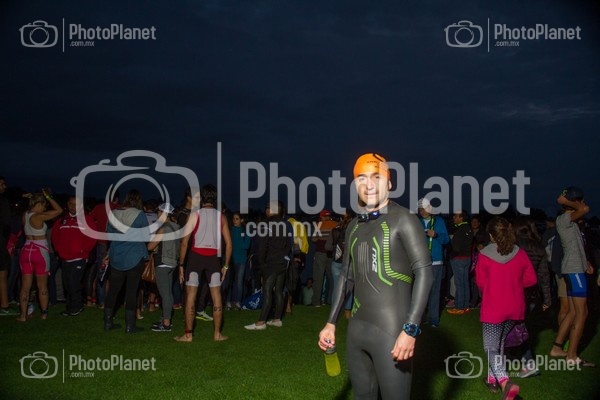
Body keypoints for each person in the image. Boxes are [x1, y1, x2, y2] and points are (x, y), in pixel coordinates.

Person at [318, 153, 433, 400]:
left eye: (376, 177)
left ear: (389, 183)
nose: (368, 184)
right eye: (361, 178)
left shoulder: (404, 219)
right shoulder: (353, 226)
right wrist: (331, 323)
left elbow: (425, 272)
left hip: (392, 332)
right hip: (357, 332)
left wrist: (410, 329)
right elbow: (346, 277)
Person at [475, 217, 537, 399]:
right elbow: (531, 279)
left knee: (490, 347)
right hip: (515, 307)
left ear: (491, 235)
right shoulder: (520, 253)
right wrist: (513, 284)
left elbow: (481, 283)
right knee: (499, 343)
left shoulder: (484, 255)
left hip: (494, 308)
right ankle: (492, 379)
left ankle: (504, 382)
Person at [175, 184, 231, 342]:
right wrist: (226, 266)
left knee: (191, 296)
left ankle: (188, 335)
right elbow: (229, 244)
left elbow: (184, 243)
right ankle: (217, 334)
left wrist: (181, 264)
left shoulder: (194, 215)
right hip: (213, 259)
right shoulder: (221, 217)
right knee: (216, 296)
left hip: (196, 258)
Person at [549, 187, 595, 367]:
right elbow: (584, 209)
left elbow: (576, 246)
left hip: (575, 268)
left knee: (573, 312)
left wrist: (586, 263)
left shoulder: (572, 220)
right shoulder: (564, 218)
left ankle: (556, 348)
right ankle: (572, 356)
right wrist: (565, 201)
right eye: (580, 200)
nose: (583, 204)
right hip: (573, 270)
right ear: (576, 202)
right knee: (582, 313)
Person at [103, 189, 149, 333]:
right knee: (131, 291)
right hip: (134, 256)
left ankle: (108, 322)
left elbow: (109, 235)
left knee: (113, 290)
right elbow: (146, 236)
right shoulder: (139, 214)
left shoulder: (113, 214)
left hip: (116, 256)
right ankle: (130, 325)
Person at [245, 201, 292, 330]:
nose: (266, 210)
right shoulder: (285, 224)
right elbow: (289, 244)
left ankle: (261, 322)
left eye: (268, 208)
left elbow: (262, 246)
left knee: (267, 290)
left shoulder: (266, 224)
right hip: (283, 262)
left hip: (271, 263)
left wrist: (262, 263)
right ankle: (277, 319)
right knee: (278, 291)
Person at [17, 189, 63, 321]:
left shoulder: (25, 215)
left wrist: (33, 198)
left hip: (26, 251)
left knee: (25, 287)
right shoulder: (39, 216)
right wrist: (48, 196)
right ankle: (44, 313)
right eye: (44, 205)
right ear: (39, 204)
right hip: (39, 252)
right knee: (42, 285)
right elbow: (59, 210)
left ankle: (23, 315)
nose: (45, 208)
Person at [51, 196, 97, 317]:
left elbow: (92, 236)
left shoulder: (86, 220)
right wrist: (58, 249)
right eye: (71, 203)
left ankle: (77, 306)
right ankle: (71, 306)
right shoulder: (62, 220)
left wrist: (83, 250)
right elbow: (55, 235)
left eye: (75, 204)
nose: (73, 206)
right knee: (67, 283)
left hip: (79, 257)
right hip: (64, 257)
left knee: (73, 282)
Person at [147, 203, 180, 332]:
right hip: (173, 263)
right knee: (168, 293)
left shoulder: (163, 228)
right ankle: (167, 319)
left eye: (158, 212)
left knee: (164, 294)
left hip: (162, 262)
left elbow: (151, 246)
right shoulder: (176, 227)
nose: (157, 214)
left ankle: (166, 324)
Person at [418, 198, 449, 328]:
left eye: (424, 209)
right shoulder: (417, 222)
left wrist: (435, 235)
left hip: (436, 261)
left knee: (435, 291)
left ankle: (433, 319)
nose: (422, 211)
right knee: (421, 292)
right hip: (421, 262)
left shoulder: (439, 221)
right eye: (420, 209)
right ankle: (421, 318)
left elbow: (446, 240)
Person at [327, 207, 355, 319]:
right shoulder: (354, 229)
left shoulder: (335, 229)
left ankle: (335, 310)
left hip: (336, 261)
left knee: (336, 286)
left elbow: (328, 247)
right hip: (349, 261)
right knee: (349, 286)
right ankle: (347, 311)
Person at [447, 210, 472, 315]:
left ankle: (459, 307)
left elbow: (456, 247)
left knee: (459, 284)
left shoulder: (460, 229)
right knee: (465, 282)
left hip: (459, 259)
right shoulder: (468, 228)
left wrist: (451, 254)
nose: (454, 217)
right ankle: (466, 306)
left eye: (456, 216)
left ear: (461, 218)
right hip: (467, 258)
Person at [311, 209, 337, 306]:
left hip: (320, 254)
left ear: (322, 216)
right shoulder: (336, 224)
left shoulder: (319, 225)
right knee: (333, 279)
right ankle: (332, 301)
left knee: (318, 278)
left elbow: (314, 239)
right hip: (332, 254)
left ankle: (316, 302)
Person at [227, 212, 251, 310]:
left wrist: (234, 245)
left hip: (241, 260)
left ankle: (237, 302)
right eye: (233, 218)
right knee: (229, 281)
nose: (234, 221)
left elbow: (246, 245)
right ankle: (228, 302)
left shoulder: (245, 231)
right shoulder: (230, 230)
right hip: (231, 259)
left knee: (239, 281)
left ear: (241, 220)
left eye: (237, 219)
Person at [0, 176, 15, 315]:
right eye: (2, 184)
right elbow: (6, 224)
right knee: (2, 273)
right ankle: (4, 305)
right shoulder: (2, 201)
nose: (4, 187)